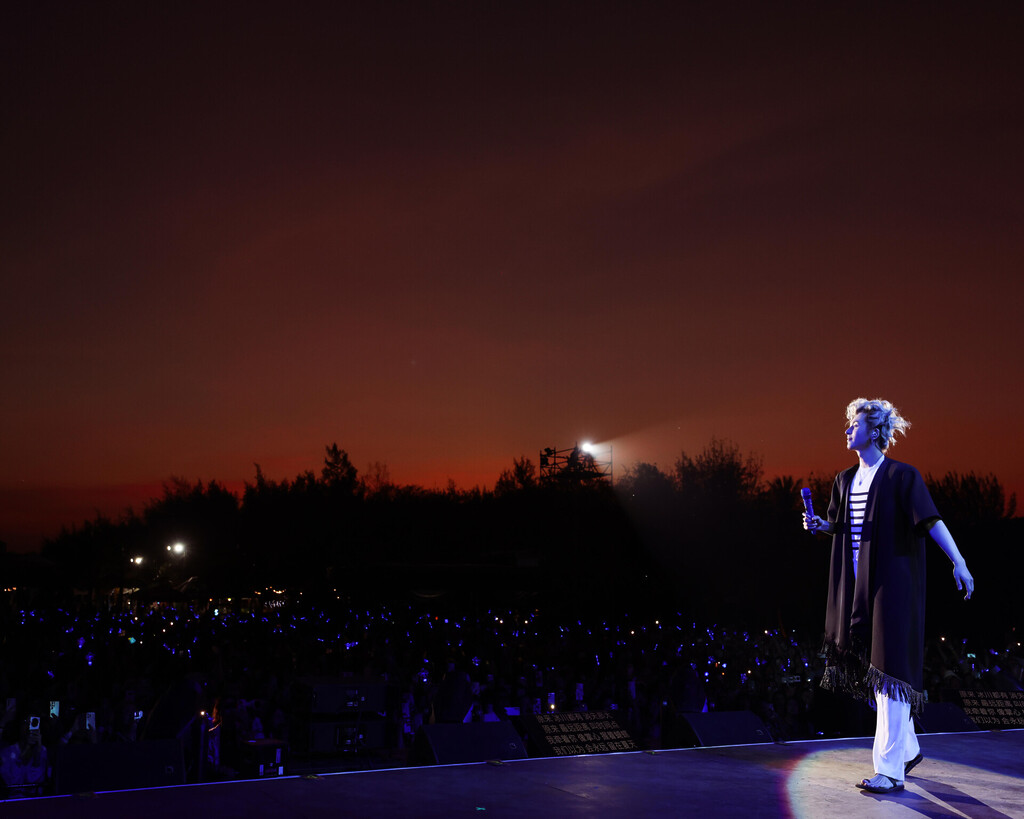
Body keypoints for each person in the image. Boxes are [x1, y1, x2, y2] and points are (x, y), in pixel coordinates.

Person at [802, 398, 974, 794]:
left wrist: (959, 561)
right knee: (875, 673)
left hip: (892, 586)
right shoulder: (844, 479)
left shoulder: (902, 475)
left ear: (876, 431)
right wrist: (820, 526)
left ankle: (890, 770)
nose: (848, 430)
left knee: (889, 672)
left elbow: (930, 520)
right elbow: (841, 525)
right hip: (855, 588)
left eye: (855, 424)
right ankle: (908, 748)